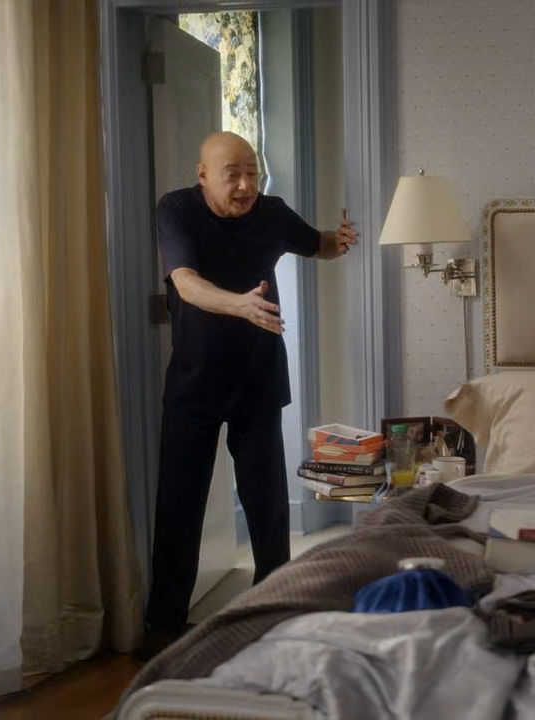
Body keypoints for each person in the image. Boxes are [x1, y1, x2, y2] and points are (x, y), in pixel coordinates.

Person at [140, 131, 357, 657]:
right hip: (194, 385)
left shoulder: (272, 213)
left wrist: (341, 239)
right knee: (179, 508)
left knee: (268, 509)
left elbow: (319, 244)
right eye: (232, 174)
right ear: (203, 175)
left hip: (258, 381)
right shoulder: (177, 210)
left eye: (252, 173)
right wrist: (240, 304)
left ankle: (272, 613)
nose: (244, 185)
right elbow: (184, 282)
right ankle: (163, 629)